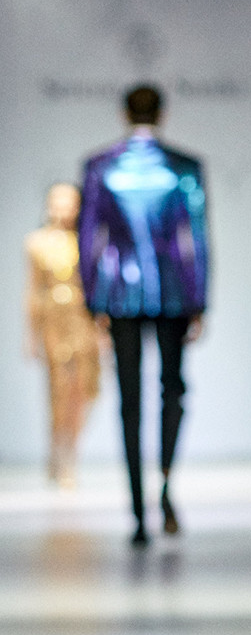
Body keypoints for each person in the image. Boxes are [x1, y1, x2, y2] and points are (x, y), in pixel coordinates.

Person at [78, 84, 209, 546]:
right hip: (173, 292)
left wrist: (92, 299)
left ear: (123, 113)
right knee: (172, 389)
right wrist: (199, 300)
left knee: (129, 400)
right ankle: (165, 489)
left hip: (119, 295)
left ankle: (138, 511)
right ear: (163, 113)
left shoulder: (99, 166)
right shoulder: (184, 166)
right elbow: (195, 238)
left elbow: (88, 238)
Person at [24, 182, 102, 488]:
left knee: (85, 389)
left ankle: (72, 451)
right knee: (58, 389)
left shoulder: (88, 240)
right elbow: (33, 290)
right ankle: (57, 452)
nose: (64, 208)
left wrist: (103, 329)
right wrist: (31, 335)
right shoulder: (37, 242)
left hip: (84, 319)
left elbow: (98, 287)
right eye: (58, 201)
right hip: (54, 321)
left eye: (70, 202)